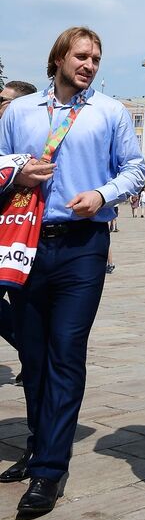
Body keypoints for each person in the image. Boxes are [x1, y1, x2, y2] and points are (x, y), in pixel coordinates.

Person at [0, 27, 145, 517]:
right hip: (27, 241)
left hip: (83, 245)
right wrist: (17, 174)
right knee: (34, 354)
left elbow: (135, 168)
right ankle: (38, 446)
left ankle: (49, 471)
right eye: (81, 56)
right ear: (58, 57)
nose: (89, 64)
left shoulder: (110, 112)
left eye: (96, 58)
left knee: (65, 351)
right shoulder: (19, 112)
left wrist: (103, 195)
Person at [0, 81, 37, 377]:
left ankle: (32, 352)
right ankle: (31, 352)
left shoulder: (28, 140)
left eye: (3, 100)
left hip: (19, 235)